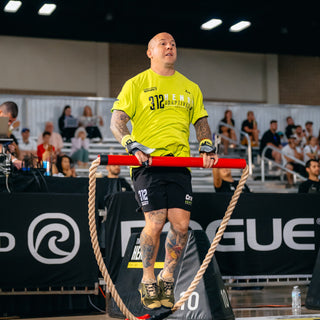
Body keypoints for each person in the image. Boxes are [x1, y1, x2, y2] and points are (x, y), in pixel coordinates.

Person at [110, 32, 217, 310]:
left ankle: (166, 277)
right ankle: (147, 279)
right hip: (149, 164)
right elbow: (117, 122)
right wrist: (131, 145)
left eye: (173, 44)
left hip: (179, 164)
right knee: (155, 222)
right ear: (150, 52)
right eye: (163, 44)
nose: (169, 47)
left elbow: (201, 122)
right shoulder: (136, 84)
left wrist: (206, 145)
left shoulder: (190, 86)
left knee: (181, 225)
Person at [0, 101, 22, 169]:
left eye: (12, 121)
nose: (9, 124)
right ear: (0, 112)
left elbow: (2, 145)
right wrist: (14, 159)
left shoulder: (2, 124)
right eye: (9, 120)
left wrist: (7, 147)